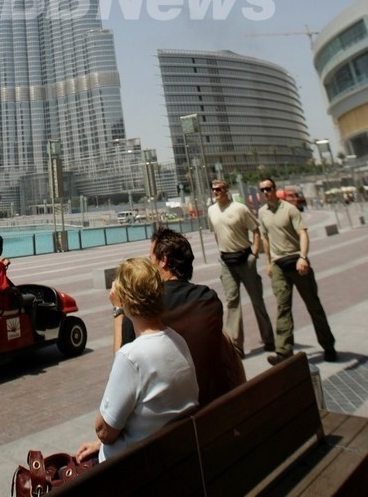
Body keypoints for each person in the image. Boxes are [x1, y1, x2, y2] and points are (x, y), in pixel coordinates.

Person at [76, 257, 198, 464]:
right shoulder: (178, 341)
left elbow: (104, 431)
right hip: (174, 455)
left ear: (124, 300)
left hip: (137, 470)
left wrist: (117, 310)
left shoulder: (132, 357)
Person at [116, 227, 245, 406]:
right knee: (224, 340)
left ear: (164, 260)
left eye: (151, 258)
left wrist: (119, 310)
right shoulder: (209, 300)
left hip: (172, 417)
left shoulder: (142, 312)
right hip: (216, 409)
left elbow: (120, 369)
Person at [258, 176, 336, 364]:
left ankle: (328, 346)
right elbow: (266, 238)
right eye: (263, 190)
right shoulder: (262, 212)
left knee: (313, 305)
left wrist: (303, 256)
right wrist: (268, 262)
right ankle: (284, 352)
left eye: (269, 188)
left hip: (296, 261)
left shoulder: (289, 209)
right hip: (278, 265)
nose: (266, 192)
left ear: (275, 189)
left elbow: (303, 233)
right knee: (283, 307)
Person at [207, 179, 275, 357]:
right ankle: (236, 346)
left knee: (257, 300)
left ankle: (269, 339)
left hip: (245, 259)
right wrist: (222, 251)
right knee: (232, 302)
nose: (216, 192)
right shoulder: (211, 211)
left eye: (219, 189)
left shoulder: (240, 208)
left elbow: (256, 231)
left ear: (226, 190)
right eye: (213, 190)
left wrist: (254, 254)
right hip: (226, 262)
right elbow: (215, 233)